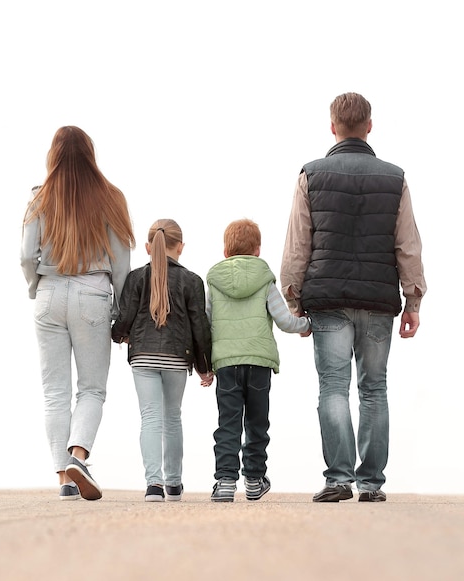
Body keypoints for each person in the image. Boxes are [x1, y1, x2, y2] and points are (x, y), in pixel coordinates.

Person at [280, 92, 427, 503]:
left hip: (327, 299)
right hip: (378, 300)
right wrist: (412, 299)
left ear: (332, 127)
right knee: (375, 389)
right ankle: (371, 485)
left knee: (333, 388)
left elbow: (297, 244)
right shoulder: (394, 178)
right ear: (369, 126)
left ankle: (339, 479)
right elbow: (408, 245)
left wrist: (293, 299)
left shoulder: (311, 174)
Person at [21, 126, 135, 501]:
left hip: (49, 293)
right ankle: (78, 456)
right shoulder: (111, 197)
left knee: (54, 392)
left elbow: (26, 256)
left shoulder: (39, 198)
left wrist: (36, 287)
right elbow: (121, 264)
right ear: (91, 153)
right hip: (93, 292)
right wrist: (121, 310)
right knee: (91, 389)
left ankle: (64, 481)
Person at [207, 219, 310, 502]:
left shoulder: (214, 280)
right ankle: (253, 479)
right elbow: (285, 320)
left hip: (226, 362)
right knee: (256, 422)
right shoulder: (264, 279)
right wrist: (306, 325)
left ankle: (226, 482)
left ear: (225, 251)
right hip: (259, 363)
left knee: (228, 422)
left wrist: (204, 363)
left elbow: (205, 322)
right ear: (258, 249)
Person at [111, 219, 213, 502]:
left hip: (143, 356)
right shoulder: (192, 281)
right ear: (180, 246)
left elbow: (125, 317)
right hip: (177, 359)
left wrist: (119, 336)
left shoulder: (136, 278)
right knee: (172, 418)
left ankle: (153, 485)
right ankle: (174, 483)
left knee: (150, 418)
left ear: (147, 246)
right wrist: (205, 367)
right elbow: (199, 327)